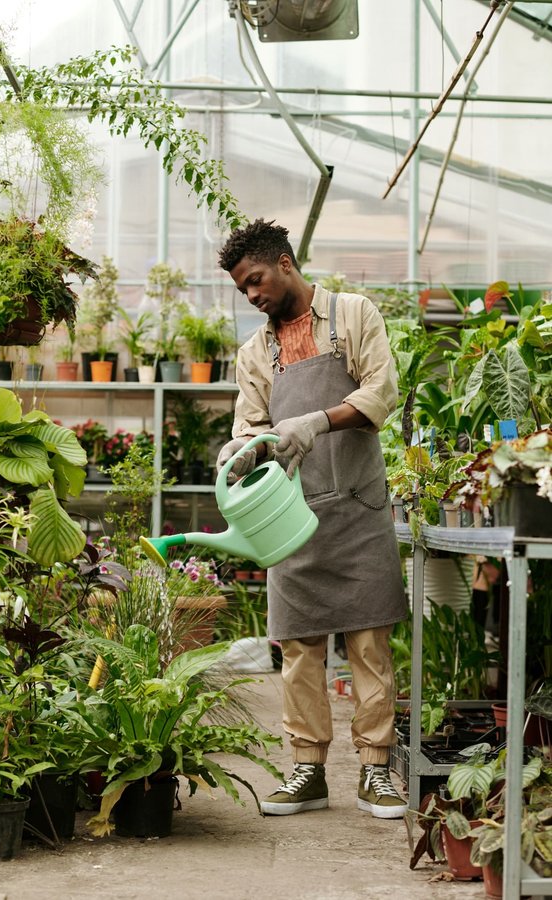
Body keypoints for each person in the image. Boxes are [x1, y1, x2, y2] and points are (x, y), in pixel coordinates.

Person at [216, 218, 408, 819]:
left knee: (369, 644)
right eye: (243, 289)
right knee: (299, 649)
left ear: (285, 263)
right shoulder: (256, 352)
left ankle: (376, 770)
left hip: (357, 509)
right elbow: (250, 424)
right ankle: (308, 771)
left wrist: (317, 420)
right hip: (290, 518)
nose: (252, 295)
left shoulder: (351, 315)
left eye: (256, 280)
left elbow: (381, 391)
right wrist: (241, 448)